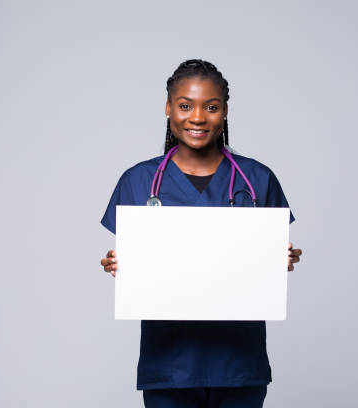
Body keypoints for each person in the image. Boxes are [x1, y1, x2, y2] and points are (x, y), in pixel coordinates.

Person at [99, 59, 303, 408]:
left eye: (211, 107)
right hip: (169, 363)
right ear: (168, 108)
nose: (197, 117)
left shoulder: (257, 179)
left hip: (238, 362)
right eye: (184, 105)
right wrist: (119, 264)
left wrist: (279, 259)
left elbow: (267, 259)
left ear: (225, 111)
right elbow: (134, 261)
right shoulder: (138, 181)